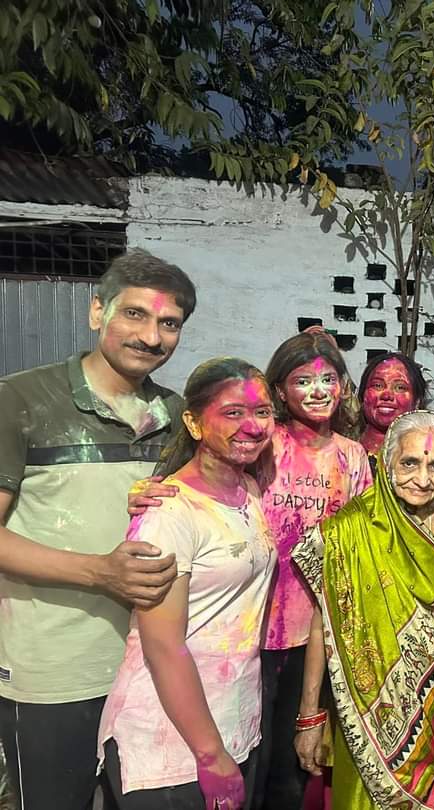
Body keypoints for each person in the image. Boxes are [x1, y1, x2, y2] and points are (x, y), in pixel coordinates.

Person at [0, 249, 196, 810]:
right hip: (54, 671)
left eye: (169, 323)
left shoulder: (179, 417)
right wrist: (99, 572)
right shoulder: (21, 400)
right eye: (134, 314)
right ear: (96, 313)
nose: (151, 336)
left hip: (151, 670)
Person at [97, 357, 278, 810]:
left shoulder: (249, 491)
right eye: (232, 412)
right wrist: (210, 754)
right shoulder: (170, 512)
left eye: (262, 411)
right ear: (194, 423)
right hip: (169, 746)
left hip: (233, 722)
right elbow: (163, 646)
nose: (252, 426)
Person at [292, 410, 434, 810]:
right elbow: (324, 628)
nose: (423, 479)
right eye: (410, 463)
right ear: (386, 463)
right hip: (363, 714)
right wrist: (309, 718)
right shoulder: (349, 529)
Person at [355, 351, 427, 456]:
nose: (387, 395)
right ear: (362, 396)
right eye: (378, 385)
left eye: (400, 388)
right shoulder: (344, 454)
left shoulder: (429, 456)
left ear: (417, 401)